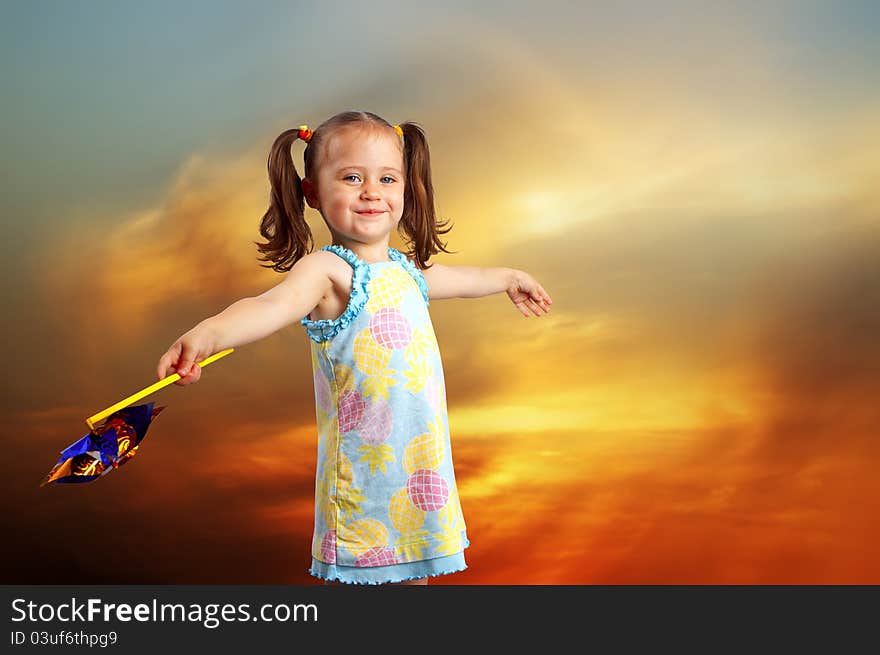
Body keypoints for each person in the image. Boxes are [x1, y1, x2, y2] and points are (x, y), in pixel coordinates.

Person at [155, 110, 553, 585]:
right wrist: (208, 334)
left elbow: (462, 278)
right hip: (366, 481)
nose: (371, 191)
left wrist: (509, 278)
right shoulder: (327, 272)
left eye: (387, 177)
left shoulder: (407, 273)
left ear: (406, 187)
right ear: (313, 192)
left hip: (419, 475)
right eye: (351, 177)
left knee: (415, 585)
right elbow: (268, 306)